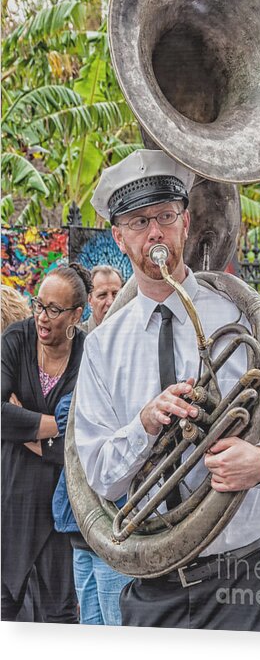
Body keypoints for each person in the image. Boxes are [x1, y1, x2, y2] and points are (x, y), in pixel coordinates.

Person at [74, 149, 260, 633]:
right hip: (154, 582)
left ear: (186, 221)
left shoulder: (243, 317)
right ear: (119, 237)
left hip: (246, 573)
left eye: (166, 216)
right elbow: (99, 474)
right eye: (140, 222)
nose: (156, 233)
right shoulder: (103, 345)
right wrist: (145, 425)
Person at [1, 263, 90, 622]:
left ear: (76, 315)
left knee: (61, 615)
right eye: (39, 305)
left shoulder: (89, 353)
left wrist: (19, 423)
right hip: (14, 498)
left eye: (54, 309)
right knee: (5, 604)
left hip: (63, 506)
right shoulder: (17, 339)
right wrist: (58, 425)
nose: (43, 317)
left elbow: (85, 439)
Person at [53, 264, 131, 626]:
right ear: (89, 303)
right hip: (79, 519)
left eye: (117, 292)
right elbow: (64, 412)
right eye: (102, 294)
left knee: (116, 625)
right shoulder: (78, 345)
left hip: (116, 516)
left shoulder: (131, 341)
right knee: (90, 627)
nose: (111, 301)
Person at [81, 265, 124, 333]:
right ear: (90, 299)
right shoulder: (77, 339)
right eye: (102, 295)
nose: (110, 302)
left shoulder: (135, 333)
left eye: (115, 294)